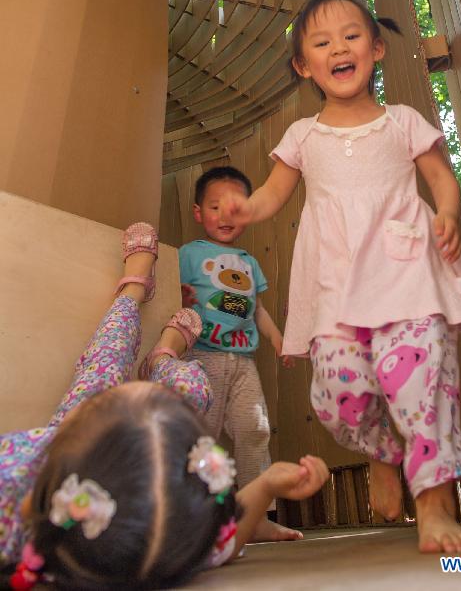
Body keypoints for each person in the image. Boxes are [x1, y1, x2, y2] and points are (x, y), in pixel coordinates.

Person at [217, 0, 461, 555]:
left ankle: (436, 505)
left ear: (376, 48)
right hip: (336, 288)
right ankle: (383, 453)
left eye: (350, 36)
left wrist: (445, 211)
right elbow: (273, 192)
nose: (338, 48)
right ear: (304, 65)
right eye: (321, 43)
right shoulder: (302, 136)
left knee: (422, 384)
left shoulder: (403, 122)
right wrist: (248, 208)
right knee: (337, 397)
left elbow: (442, 177)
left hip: (406, 272)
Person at [0, 223, 329, 590]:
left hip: (49, 451)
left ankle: (133, 291)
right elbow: (224, 540)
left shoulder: (12, 479)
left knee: (106, 361)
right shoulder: (164, 533)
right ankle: (162, 357)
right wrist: (265, 485)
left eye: (117, 405)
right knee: (194, 389)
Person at [179, 166, 299, 544]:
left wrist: (279, 339)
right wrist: (180, 299)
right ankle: (197, 517)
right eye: (215, 207)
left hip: (243, 362)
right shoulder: (189, 254)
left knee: (255, 429)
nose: (224, 216)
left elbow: (255, 308)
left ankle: (255, 516)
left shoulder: (249, 262)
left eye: (234, 208)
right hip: (202, 357)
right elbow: (174, 292)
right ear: (199, 213)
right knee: (204, 437)